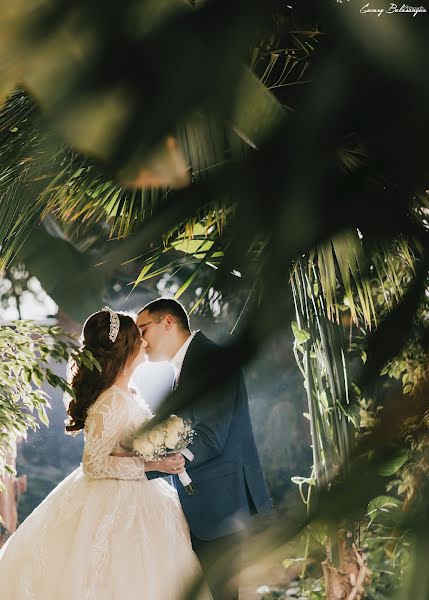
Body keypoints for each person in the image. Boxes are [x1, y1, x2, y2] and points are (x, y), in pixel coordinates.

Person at [0, 307, 211, 600]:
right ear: (125, 349)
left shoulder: (127, 393)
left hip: (144, 496)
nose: (145, 343)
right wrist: (153, 463)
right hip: (111, 501)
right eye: (139, 338)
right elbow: (94, 465)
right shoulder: (110, 401)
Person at [137, 298, 272, 600]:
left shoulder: (211, 361)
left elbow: (212, 437)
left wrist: (158, 460)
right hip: (207, 506)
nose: (141, 340)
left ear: (168, 322)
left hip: (222, 506)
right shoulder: (186, 365)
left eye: (144, 328)